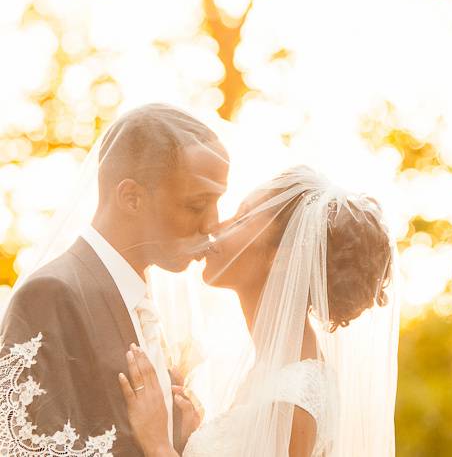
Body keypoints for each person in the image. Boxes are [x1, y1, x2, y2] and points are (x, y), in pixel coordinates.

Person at [118, 165, 400, 457]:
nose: (216, 226)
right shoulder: (276, 371)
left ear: (281, 258)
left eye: (241, 219)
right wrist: (193, 438)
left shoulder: (294, 397)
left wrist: (157, 443)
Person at [0, 104, 228, 456]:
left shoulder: (143, 302)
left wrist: (174, 442)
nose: (213, 224)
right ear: (131, 198)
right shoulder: (52, 295)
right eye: (197, 206)